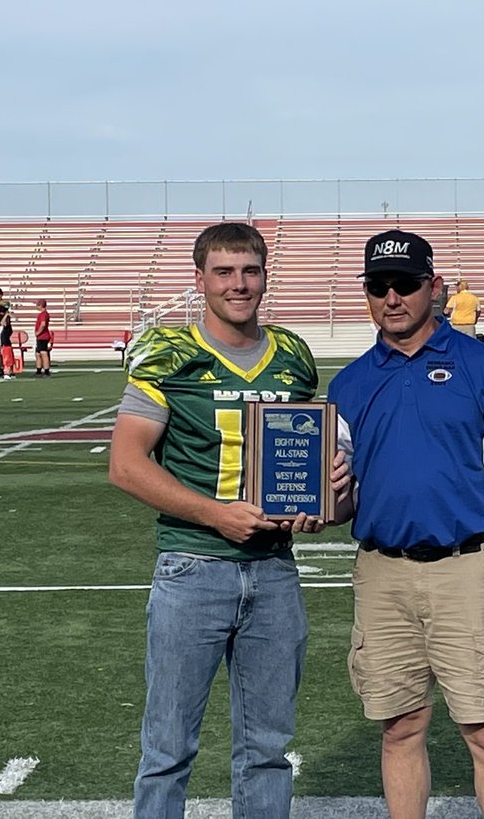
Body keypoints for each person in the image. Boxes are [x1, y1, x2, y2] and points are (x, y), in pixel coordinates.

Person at [108, 223, 349, 819]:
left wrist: (323, 505)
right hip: (192, 568)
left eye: (249, 271)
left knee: (268, 750)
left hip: (273, 571)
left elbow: (304, 461)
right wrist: (216, 515)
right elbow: (125, 465)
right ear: (200, 280)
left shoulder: (292, 355)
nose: (238, 284)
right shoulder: (170, 354)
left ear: (265, 276)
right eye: (223, 272)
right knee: (167, 750)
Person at [328, 229, 484, 819]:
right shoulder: (348, 383)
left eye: (405, 284)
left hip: (469, 567)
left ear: (434, 287)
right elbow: (344, 497)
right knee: (400, 726)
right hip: (381, 572)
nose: (392, 297)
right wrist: (317, 501)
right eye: (378, 286)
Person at [34, 298, 54, 376]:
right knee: (38, 353)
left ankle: (46, 371)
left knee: (43, 353)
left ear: (41, 305)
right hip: (40, 337)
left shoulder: (43, 314)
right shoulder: (42, 314)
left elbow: (43, 324)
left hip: (43, 337)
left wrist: (38, 332)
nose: (36, 306)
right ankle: (39, 370)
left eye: (37, 304)